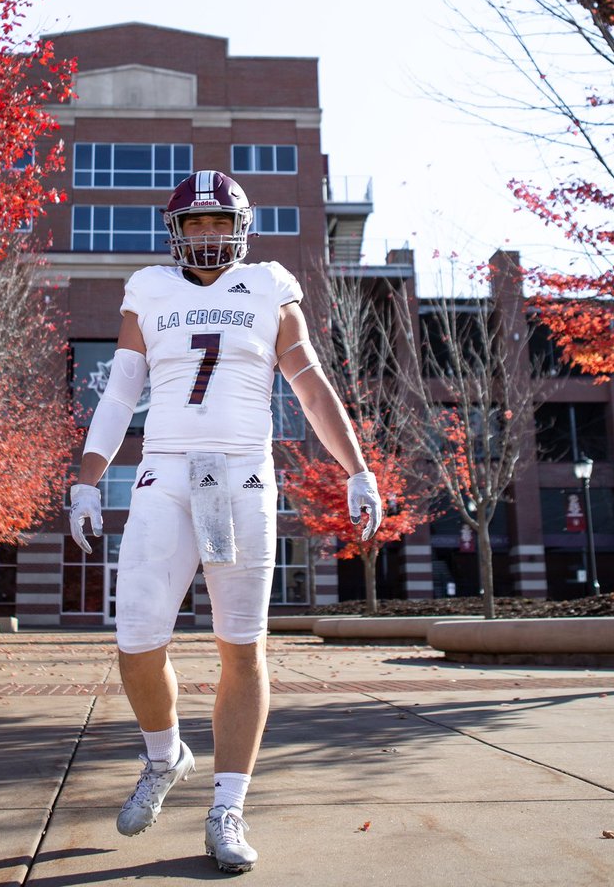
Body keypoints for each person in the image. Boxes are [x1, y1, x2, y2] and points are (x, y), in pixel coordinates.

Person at [68, 169, 381, 875]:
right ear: (176, 231)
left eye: (219, 224)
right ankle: (164, 755)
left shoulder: (271, 285)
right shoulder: (147, 290)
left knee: (241, 643)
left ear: (240, 229)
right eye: (196, 225)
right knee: (136, 636)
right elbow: (120, 393)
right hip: (166, 472)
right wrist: (87, 481)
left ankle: (227, 805)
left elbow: (309, 383)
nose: (208, 237)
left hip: (240, 472)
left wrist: (356, 469)